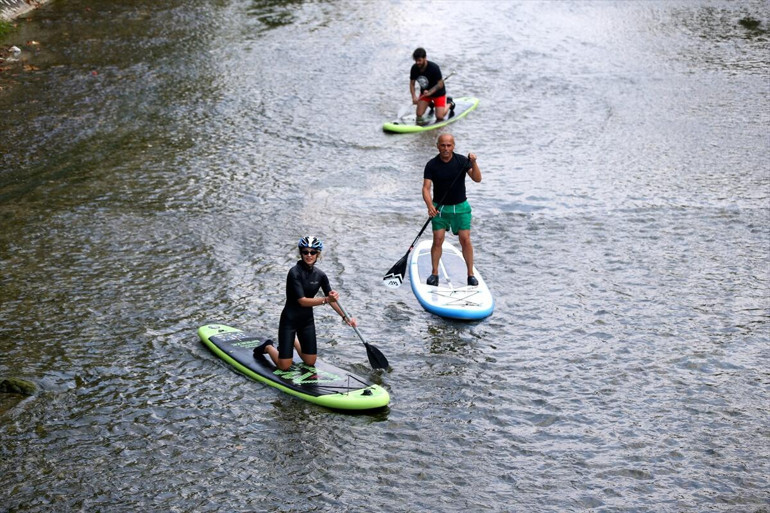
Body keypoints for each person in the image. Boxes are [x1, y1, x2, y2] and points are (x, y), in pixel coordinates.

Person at [253, 236, 356, 371]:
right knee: (284, 366)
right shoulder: (294, 273)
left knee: (310, 361)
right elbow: (302, 301)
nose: (309, 255)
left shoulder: (321, 275)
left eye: (312, 252)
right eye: (305, 252)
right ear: (300, 253)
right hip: (289, 320)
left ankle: (293, 341)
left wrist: (346, 317)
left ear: (318, 254)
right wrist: (326, 300)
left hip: (306, 321)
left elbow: (332, 299)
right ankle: (268, 346)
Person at [422, 133, 482, 286]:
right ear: (438, 146)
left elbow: (477, 178)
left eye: (449, 145)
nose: (446, 148)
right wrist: (430, 206)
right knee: (438, 240)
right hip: (439, 209)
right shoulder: (431, 165)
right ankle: (434, 274)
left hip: (461, 208)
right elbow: (426, 188)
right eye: (443, 145)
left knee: (465, 240)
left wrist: (474, 163)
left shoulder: (462, 161)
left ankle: (470, 275)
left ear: (453, 146)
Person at [410, 47, 454, 124]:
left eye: (419, 60)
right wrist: (414, 96)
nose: (417, 63)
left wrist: (430, 92)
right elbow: (412, 83)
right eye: (416, 60)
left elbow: (440, 84)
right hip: (425, 94)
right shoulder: (414, 68)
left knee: (439, 117)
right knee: (419, 114)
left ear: (425, 58)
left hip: (438, 93)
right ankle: (430, 103)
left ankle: (450, 103)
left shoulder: (434, 68)